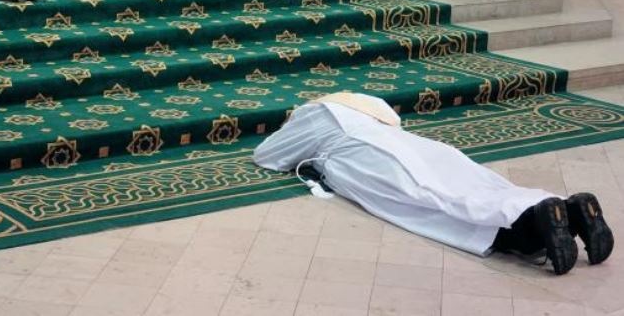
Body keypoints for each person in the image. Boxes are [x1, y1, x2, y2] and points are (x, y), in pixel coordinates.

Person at [254, 92, 614, 276]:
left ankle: (528, 227)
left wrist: (291, 127)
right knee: (471, 180)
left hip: (367, 158)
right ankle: (563, 207)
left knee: (431, 202)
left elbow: (268, 156)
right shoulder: (366, 104)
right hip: (418, 147)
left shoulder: (313, 115)